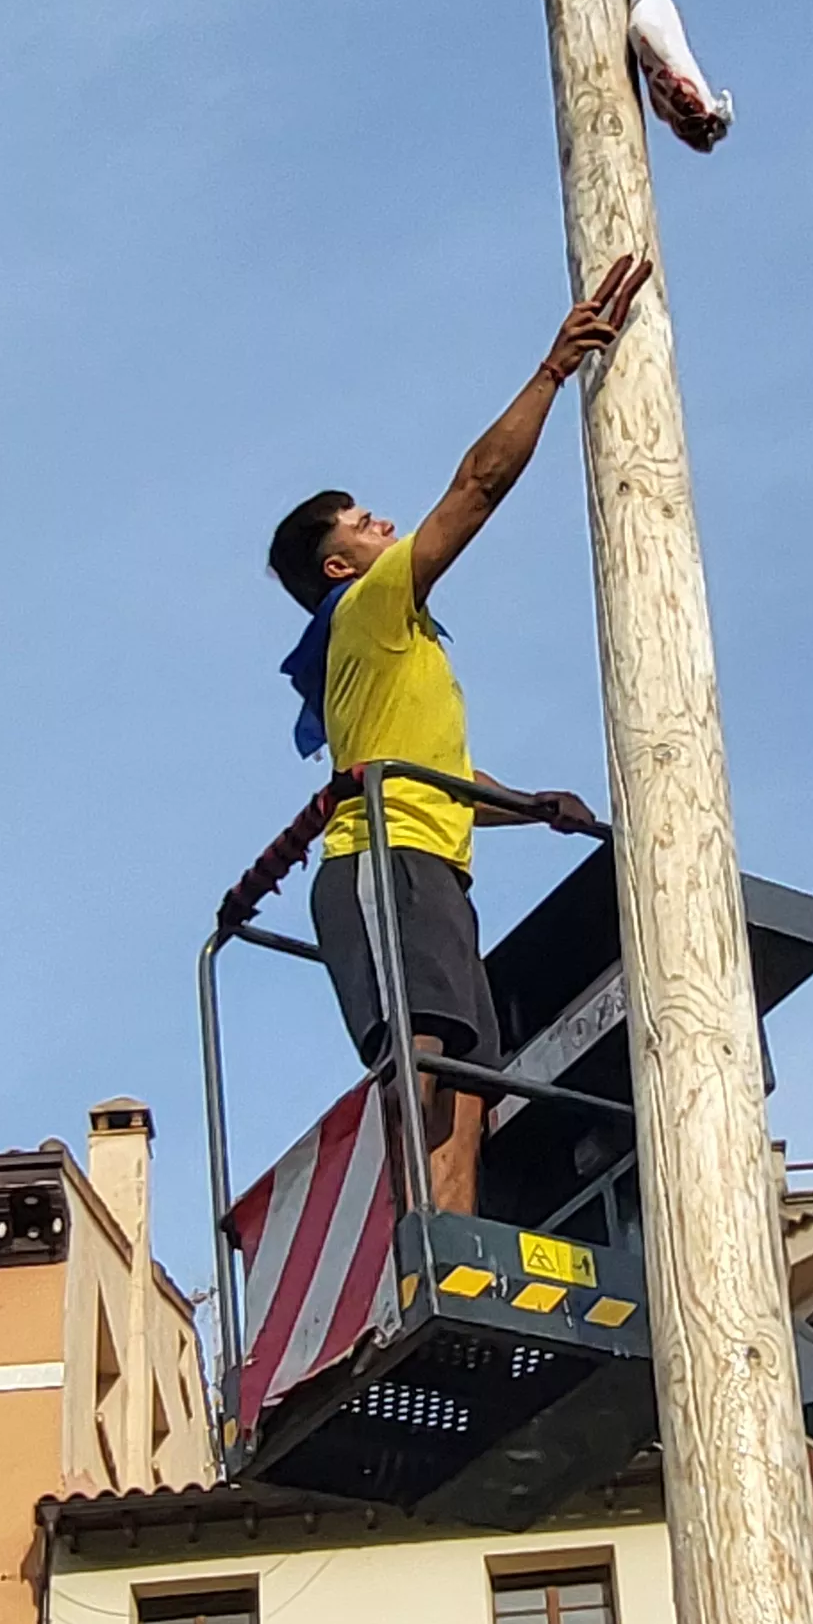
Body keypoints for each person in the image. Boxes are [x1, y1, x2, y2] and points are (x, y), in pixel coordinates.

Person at [270, 256, 652, 1217]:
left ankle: (457, 1240)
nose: (385, 522)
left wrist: (526, 805)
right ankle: (417, 1243)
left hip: (432, 858)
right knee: (426, 1045)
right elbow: (478, 485)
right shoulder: (368, 604)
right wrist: (555, 369)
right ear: (337, 560)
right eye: (364, 520)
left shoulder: (397, 642)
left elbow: (440, 770)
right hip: (384, 857)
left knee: (473, 1079)